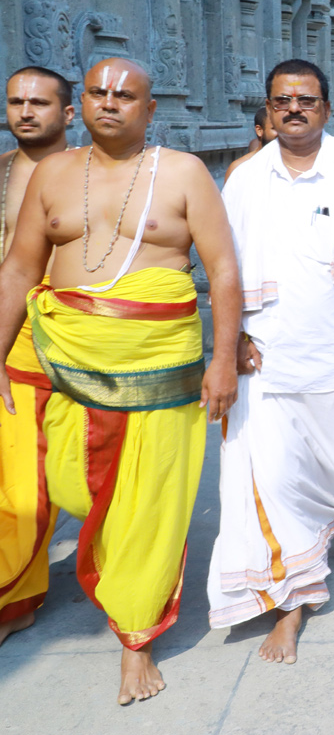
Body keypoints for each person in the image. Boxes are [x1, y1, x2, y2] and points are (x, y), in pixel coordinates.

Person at [0, 57, 240, 704]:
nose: (111, 102)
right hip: (72, 370)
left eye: (126, 94)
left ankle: (137, 637)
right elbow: (21, 272)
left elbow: (222, 271)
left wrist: (222, 361)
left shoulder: (184, 174)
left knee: (150, 503)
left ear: (149, 109)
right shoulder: (53, 175)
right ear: (80, 103)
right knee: (72, 486)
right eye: (98, 92)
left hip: (161, 369)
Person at [208, 59, 334, 665]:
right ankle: (290, 603)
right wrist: (231, 336)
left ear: (326, 106)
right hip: (262, 358)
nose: (294, 108)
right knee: (267, 478)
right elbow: (221, 267)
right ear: (268, 109)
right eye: (282, 100)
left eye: (306, 100)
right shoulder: (243, 179)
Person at [0, 67, 73, 647]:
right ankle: (15, 599)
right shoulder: (1, 172)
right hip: (14, 339)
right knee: (20, 480)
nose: (26, 112)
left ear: (66, 114)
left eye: (39, 103)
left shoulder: (88, 174)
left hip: (83, 340)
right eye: (16, 102)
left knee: (87, 473)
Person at [224, 105, 277, 183]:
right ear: (259, 130)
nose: (283, 134)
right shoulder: (239, 168)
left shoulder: (296, 166)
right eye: (275, 128)